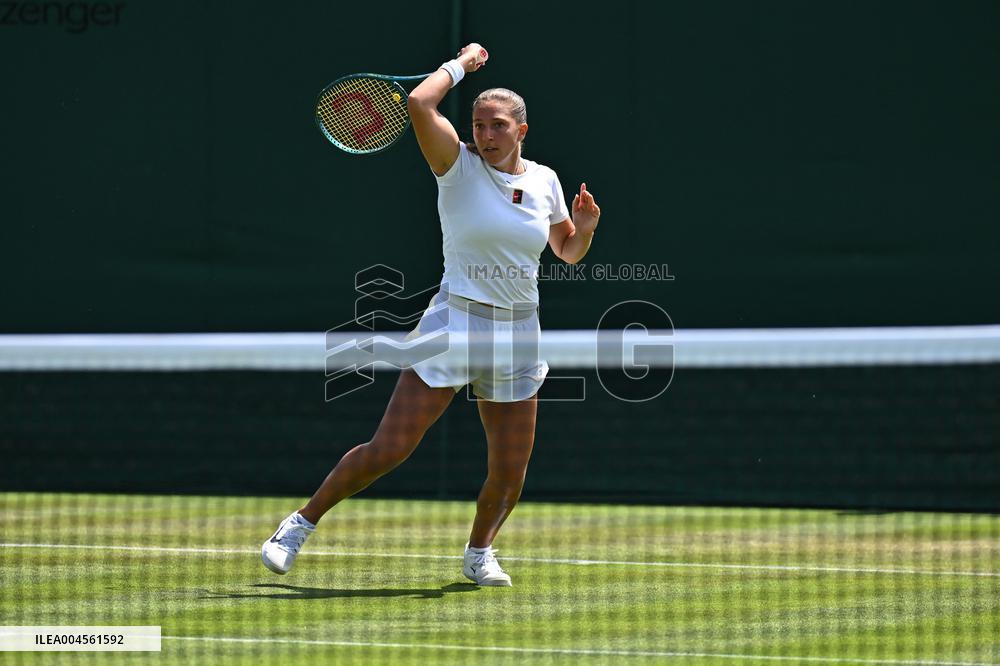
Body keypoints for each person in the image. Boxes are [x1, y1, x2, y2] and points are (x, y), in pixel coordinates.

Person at [261, 43, 601, 586]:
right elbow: (420, 103)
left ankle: (479, 553)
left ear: (521, 131)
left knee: (510, 469)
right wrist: (462, 64)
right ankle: (299, 524)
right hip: (456, 324)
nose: (485, 135)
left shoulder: (546, 181)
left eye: (497, 126)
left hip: (520, 332)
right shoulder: (456, 165)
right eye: (478, 124)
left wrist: (582, 231)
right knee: (390, 448)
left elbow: (565, 250)